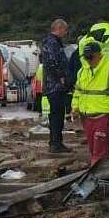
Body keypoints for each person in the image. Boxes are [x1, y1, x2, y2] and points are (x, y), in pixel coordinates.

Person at [40, 18, 73, 153]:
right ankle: (55, 143)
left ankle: (56, 142)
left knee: (57, 114)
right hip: (55, 86)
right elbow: (52, 62)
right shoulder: (52, 42)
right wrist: (61, 77)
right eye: (65, 30)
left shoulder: (52, 42)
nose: (65, 33)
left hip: (54, 85)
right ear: (58, 28)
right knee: (57, 115)